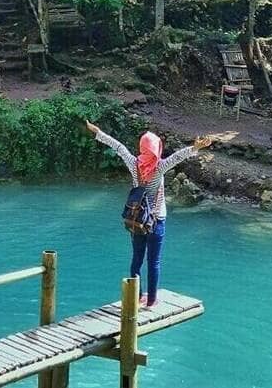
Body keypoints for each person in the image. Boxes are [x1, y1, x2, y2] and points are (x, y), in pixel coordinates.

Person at [85, 120, 212, 307]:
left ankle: (135, 297)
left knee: (136, 259)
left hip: (137, 219)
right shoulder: (159, 167)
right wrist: (195, 148)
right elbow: (177, 157)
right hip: (157, 220)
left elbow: (119, 147)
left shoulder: (134, 164)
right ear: (156, 148)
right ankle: (151, 300)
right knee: (154, 262)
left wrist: (98, 132)